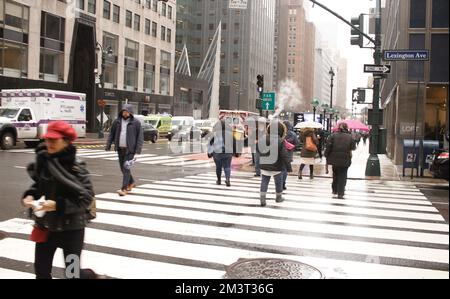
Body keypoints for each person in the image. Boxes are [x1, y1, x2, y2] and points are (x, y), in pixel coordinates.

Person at [21, 121, 95, 279]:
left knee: (72, 274)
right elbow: (39, 186)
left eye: (54, 140)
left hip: (72, 230)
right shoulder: (44, 162)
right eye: (48, 139)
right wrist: (30, 196)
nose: (49, 143)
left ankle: (89, 276)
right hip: (46, 227)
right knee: (41, 272)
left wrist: (57, 205)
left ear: (67, 141)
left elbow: (86, 198)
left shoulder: (77, 168)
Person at [106, 104, 144, 196]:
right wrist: (108, 144)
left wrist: (138, 149)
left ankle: (124, 189)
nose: (125, 113)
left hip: (130, 150)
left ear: (130, 112)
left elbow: (140, 137)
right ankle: (131, 182)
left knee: (126, 168)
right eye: (123, 111)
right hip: (120, 149)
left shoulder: (136, 123)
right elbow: (112, 134)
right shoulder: (117, 122)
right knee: (122, 169)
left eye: (127, 111)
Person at [259, 120, 290, 207]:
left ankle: (262, 199)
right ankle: (278, 197)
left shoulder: (263, 138)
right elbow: (284, 155)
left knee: (264, 181)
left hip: (265, 164)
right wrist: (289, 167)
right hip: (277, 166)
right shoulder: (281, 141)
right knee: (278, 182)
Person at [324, 122, 357, 199]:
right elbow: (353, 147)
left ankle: (334, 189)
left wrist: (326, 155)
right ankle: (341, 192)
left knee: (335, 174)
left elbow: (328, 146)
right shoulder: (350, 137)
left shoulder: (332, 136)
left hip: (334, 159)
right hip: (345, 159)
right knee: (343, 175)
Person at [208, 120, 237, 187]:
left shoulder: (215, 134)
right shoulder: (230, 134)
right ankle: (227, 179)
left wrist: (209, 153)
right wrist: (236, 152)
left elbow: (210, 144)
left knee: (218, 167)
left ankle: (219, 180)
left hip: (217, 154)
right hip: (228, 153)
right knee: (227, 166)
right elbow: (234, 143)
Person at [282, 121, 299, 190]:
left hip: (279, 153)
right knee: (285, 169)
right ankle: (283, 183)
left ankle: (279, 182)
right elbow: (297, 143)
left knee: (280, 169)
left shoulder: (280, 133)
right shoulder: (293, 134)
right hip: (288, 154)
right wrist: (291, 147)